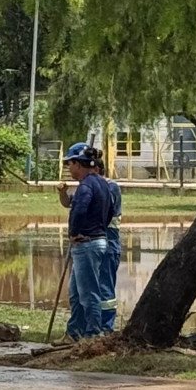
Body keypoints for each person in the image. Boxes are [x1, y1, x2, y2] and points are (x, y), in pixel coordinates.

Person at [61, 142, 116, 341]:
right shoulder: (102, 183)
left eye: (70, 164)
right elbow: (109, 212)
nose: (69, 168)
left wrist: (74, 232)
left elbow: (79, 209)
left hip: (87, 244)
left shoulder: (85, 186)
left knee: (89, 293)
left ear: (78, 163)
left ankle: (93, 334)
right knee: (75, 293)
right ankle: (74, 331)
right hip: (97, 240)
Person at [94, 149, 123, 335]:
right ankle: (93, 325)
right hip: (93, 242)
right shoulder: (88, 186)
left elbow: (104, 214)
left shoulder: (110, 187)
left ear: (96, 169)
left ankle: (106, 327)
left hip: (108, 241)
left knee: (105, 287)